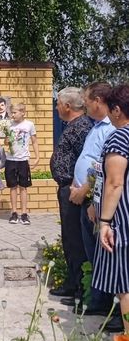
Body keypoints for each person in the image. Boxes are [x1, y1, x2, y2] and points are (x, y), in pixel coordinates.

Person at [67, 81, 115, 316]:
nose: (84, 105)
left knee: (102, 254)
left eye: (87, 101)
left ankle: (108, 305)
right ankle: (96, 300)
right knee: (91, 252)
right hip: (86, 197)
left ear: (98, 101)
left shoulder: (110, 128)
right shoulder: (96, 126)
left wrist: (86, 190)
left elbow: (105, 168)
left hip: (96, 199)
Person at [49, 87, 93, 299]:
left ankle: (80, 287)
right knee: (69, 237)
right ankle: (72, 281)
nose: (56, 107)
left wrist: (81, 187)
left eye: (58, 103)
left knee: (75, 239)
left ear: (67, 106)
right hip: (67, 188)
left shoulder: (81, 127)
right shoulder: (73, 126)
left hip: (74, 189)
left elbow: (88, 159)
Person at [93, 84, 129, 335]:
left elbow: (115, 183)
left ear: (117, 110)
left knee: (126, 286)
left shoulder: (120, 137)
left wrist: (105, 221)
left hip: (124, 219)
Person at [4, 103, 39, 224]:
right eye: (12, 113)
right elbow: (6, 142)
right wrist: (7, 139)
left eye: (15, 112)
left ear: (23, 112)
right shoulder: (9, 125)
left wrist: (37, 157)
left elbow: (34, 141)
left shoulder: (29, 125)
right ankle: (14, 212)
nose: (13, 115)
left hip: (23, 160)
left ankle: (24, 213)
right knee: (13, 186)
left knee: (23, 187)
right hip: (11, 159)